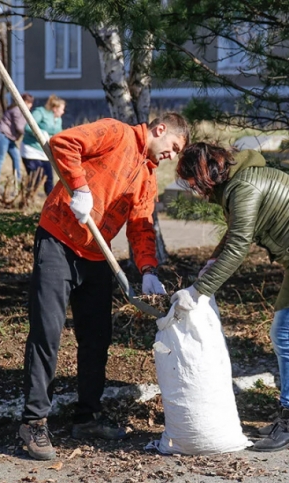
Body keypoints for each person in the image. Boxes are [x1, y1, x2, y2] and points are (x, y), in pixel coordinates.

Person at [18, 113, 190, 461]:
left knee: (97, 337)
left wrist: (148, 269)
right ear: (160, 130)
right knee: (47, 332)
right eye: (173, 147)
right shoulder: (116, 133)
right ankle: (33, 422)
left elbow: (141, 228)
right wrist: (79, 186)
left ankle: (87, 417)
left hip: (96, 254)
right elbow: (62, 143)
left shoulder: (147, 177)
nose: (172, 155)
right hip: (58, 238)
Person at [172, 143, 289, 452]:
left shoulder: (242, 189)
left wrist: (198, 291)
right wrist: (212, 261)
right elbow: (236, 232)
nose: (190, 188)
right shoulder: (244, 177)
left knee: (284, 335)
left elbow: (239, 245)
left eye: (190, 180)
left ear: (204, 174)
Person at [21, 94, 65, 195]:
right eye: (62, 109)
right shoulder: (40, 112)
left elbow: (59, 133)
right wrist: (42, 133)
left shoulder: (58, 120)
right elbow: (28, 127)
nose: (63, 112)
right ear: (55, 108)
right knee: (35, 178)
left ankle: (52, 205)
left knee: (49, 179)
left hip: (45, 152)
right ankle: (27, 199)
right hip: (31, 150)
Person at [0, 93, 34, 188]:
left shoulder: (22, 112)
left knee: (16, 157)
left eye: (31, 103)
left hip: (9, 138)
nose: (30, 105)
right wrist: (31, 133)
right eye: (28, 103)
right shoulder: (17, 110)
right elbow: (19, 127)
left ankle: (17, 181)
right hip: (1, 135)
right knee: (0, 158)